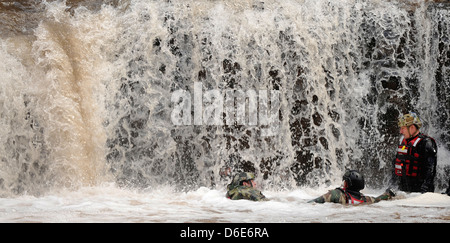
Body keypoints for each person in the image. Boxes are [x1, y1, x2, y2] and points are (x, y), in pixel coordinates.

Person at [390, 112, 438, 193]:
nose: (400, 131)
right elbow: (395, 164)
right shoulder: (402, 141)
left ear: (412, 128)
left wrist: (425, 190)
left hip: (419, 191)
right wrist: (392, 185)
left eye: (403, 128)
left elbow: (431, 169)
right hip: (403, 191)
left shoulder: (426, 143)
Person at [308, 170, 395, 205]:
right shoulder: (366, 200)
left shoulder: (336, 195)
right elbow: (378, 199)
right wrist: (388, 194)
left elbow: (314, 202)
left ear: (348, 184)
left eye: (345, 181)